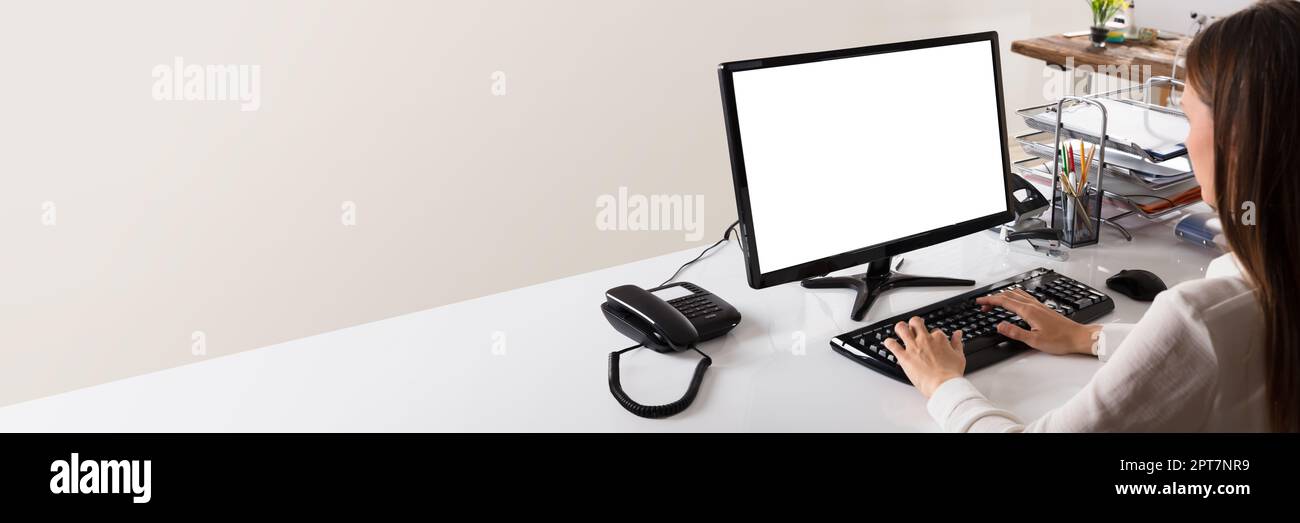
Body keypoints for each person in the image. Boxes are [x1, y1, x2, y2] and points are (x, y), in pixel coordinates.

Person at [883, 0, 1300, 432]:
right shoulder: (1260, 283)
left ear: (1234, 141)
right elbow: (1197, 357)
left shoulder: (1201, 315)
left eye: (1187, 116)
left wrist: (942, 384)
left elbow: (1200, 339)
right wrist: (1088, 336)